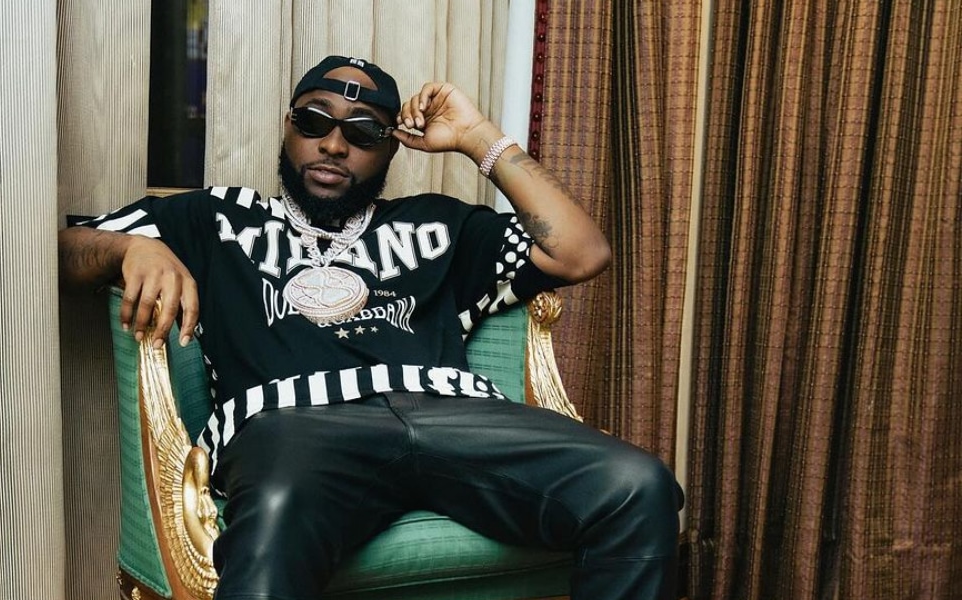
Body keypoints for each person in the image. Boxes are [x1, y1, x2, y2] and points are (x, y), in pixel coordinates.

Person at [59, 55, 683, 600]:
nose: (334, 145)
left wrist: (478, 139)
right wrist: (130, 248)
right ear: (288, 127)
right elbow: (65, 251)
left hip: (455, 417)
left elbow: (581, 253)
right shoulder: (216, 218)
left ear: (390, 150)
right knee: (276, 511)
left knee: (637, 486)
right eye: (314, 121)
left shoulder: (440, 224)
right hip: (293, 425)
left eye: (362, 132)